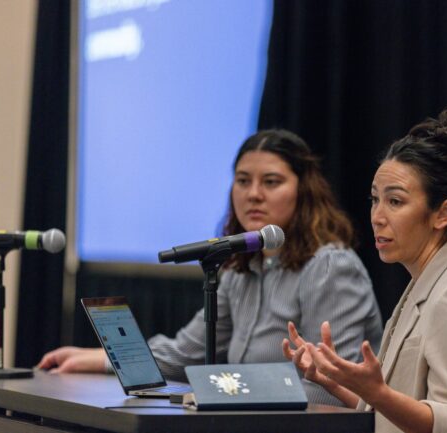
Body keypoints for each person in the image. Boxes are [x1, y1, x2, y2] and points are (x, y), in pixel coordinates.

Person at [38, 129, 383, 405]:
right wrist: (100, 358)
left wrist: (231, 400)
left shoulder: (330, 267)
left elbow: (335, 389)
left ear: (303, 192)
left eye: (272, 182)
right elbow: (186, 354)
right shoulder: (238, 266)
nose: (253, 194)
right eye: (243, 180)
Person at [283, 108, 447, 432]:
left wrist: (377, 393)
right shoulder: (425, 282)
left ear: (443, 213)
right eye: (374, 200)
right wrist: (335, 379)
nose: (377, 216)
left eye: (395, 202)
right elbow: (394, 412)